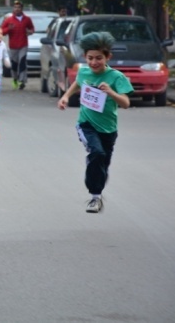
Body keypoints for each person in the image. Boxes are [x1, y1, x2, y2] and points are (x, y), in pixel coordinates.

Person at [57, 32, 133, 213]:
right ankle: (95, 197)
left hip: (109, 129)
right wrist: (65, 97)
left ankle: (96, 182)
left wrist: (111, 93)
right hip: (86, 124)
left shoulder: (116, 77)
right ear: (85, 57)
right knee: (97, 153)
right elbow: (77, 83)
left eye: (99, 58)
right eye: (90, 58)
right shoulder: (84, 71)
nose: (94, 62)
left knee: (102, 165)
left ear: (108, 57)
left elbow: (126, 104)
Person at [1, 0, 34, 90]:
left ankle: (22, 80)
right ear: (13, 9)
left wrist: (30, 32)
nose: (17, 9)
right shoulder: (9, 20)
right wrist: (9, 29)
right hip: (13, 46)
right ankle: (15, 79)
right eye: (15, 7)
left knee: (22, 62)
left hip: (23, 44)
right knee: (14, 64)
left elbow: (32, 28)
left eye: (19, 7)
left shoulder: (27, 19)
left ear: (21, 9)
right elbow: (2, 32)